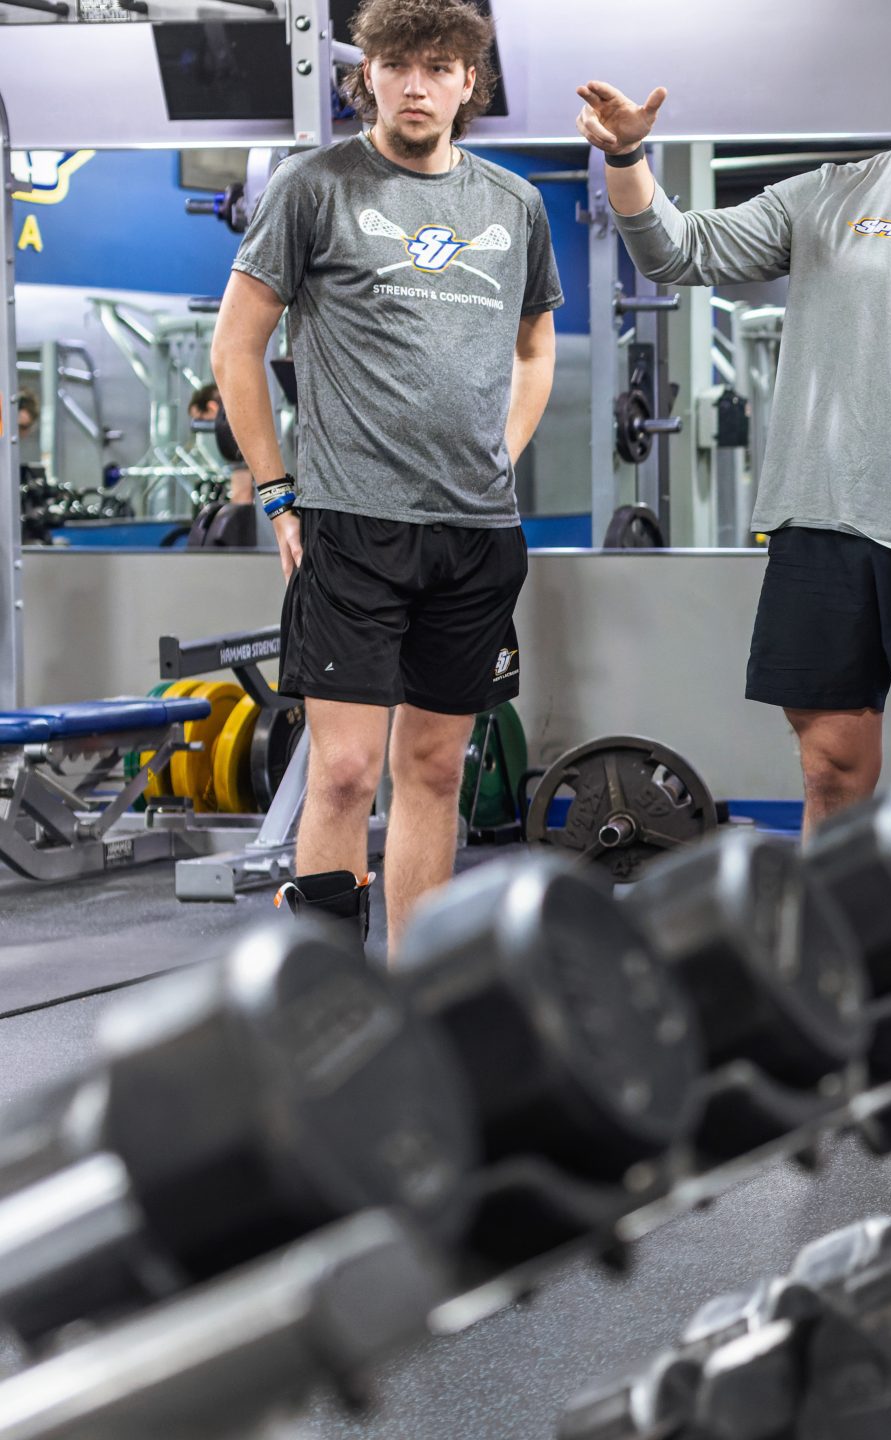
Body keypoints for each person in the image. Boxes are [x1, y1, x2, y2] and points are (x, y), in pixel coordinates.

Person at [577, 0, 891, 861]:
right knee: (830, 772)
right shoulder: (828, 195)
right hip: (820, 527)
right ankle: (835, 970)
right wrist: (628, 159)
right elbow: (680, 251)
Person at [211, 0, 559, 949]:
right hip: (351, 524)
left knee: (439, 771)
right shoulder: (311, 185)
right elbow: (237, 347)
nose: (417, 84)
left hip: (478, 534)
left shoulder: (512, 204)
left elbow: (536, 349)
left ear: (467, 85)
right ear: (365, 74)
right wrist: (278, 491)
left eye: (439, 67)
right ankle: (325, 1000)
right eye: (397, 65)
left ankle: (420, 991)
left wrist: (504, 453)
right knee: (344, 772)